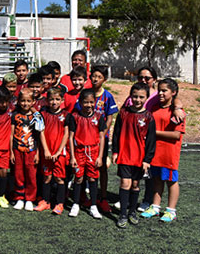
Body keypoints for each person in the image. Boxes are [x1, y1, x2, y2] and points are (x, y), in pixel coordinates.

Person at [112, 82, 156, 228]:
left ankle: (132, 212)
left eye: (141, 97)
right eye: (135, 96)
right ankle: (123, 214)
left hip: (140, 157)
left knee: (135, 185)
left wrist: (147, 160)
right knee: (125, 183)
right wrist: (115, 151)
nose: (138, 100)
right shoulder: (123, 113)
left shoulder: (149, 117)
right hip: (125, 155)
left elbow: (151, 140)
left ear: (146, 98)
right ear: (131, 97)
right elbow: (116, 134)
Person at [141, 78, 186, 223]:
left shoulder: (177, 112)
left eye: (164, 90)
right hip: (155, 153)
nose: (160, 93)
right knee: (157, 179)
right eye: (159, 90)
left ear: (173, 93)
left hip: (169, 154)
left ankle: (171, 210)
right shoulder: (154, 108)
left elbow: (176, 135)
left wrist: (154, 132)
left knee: (171, 181)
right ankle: (155, 206)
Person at [75, 65, 118, 213]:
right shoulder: (85, 95)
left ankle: (103, 198)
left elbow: (110, 118)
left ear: (104, 79)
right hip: (84, 140)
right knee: (82, 168)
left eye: (99, 77)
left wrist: (101, 135)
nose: (95, 79)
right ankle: (83, 198)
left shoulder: (107, 96)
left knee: (100, 168)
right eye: (93, 76)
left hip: (100, 140)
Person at [68, 89, 106, 219]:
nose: (88, 105)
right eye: (85, 102)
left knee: (92, 178)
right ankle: (76, 204)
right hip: (79, 152)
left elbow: (102, 138)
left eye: (91, 102)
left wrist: (100, 156)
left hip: (93, 152)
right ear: (80, 102)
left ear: (95, 102)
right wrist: (72, 156)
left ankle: (93, 205)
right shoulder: (75, 117)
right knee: (78, 178)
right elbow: (71, 137)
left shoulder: (99, 117)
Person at [34, 87, 69, 215]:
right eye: (51, 99)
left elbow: (66, 135)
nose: (54, 102)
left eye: (57, 99)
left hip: (59, 153)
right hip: (47, 152)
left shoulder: (66, 115)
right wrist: (46, 150)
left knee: (59, 178)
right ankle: (45, 201)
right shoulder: (43, 115)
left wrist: (59, 151)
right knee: (47, 177)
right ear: (47, 101)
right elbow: (41, 133)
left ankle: (59, 203)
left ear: (62, 100)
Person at [10, 88, 45, 212]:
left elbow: (39, 135)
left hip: (31, 150)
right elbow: (11, 134)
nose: (25, 103)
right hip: (18, 149)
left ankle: (30, 198)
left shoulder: (36, 116)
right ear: (18, 101)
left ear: (33, 102)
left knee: (31, 175)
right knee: (19, 174)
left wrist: (38, 153)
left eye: (28, 101)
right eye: (23, 101)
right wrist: (11, 152)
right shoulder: (15, 115)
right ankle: (19, 197)